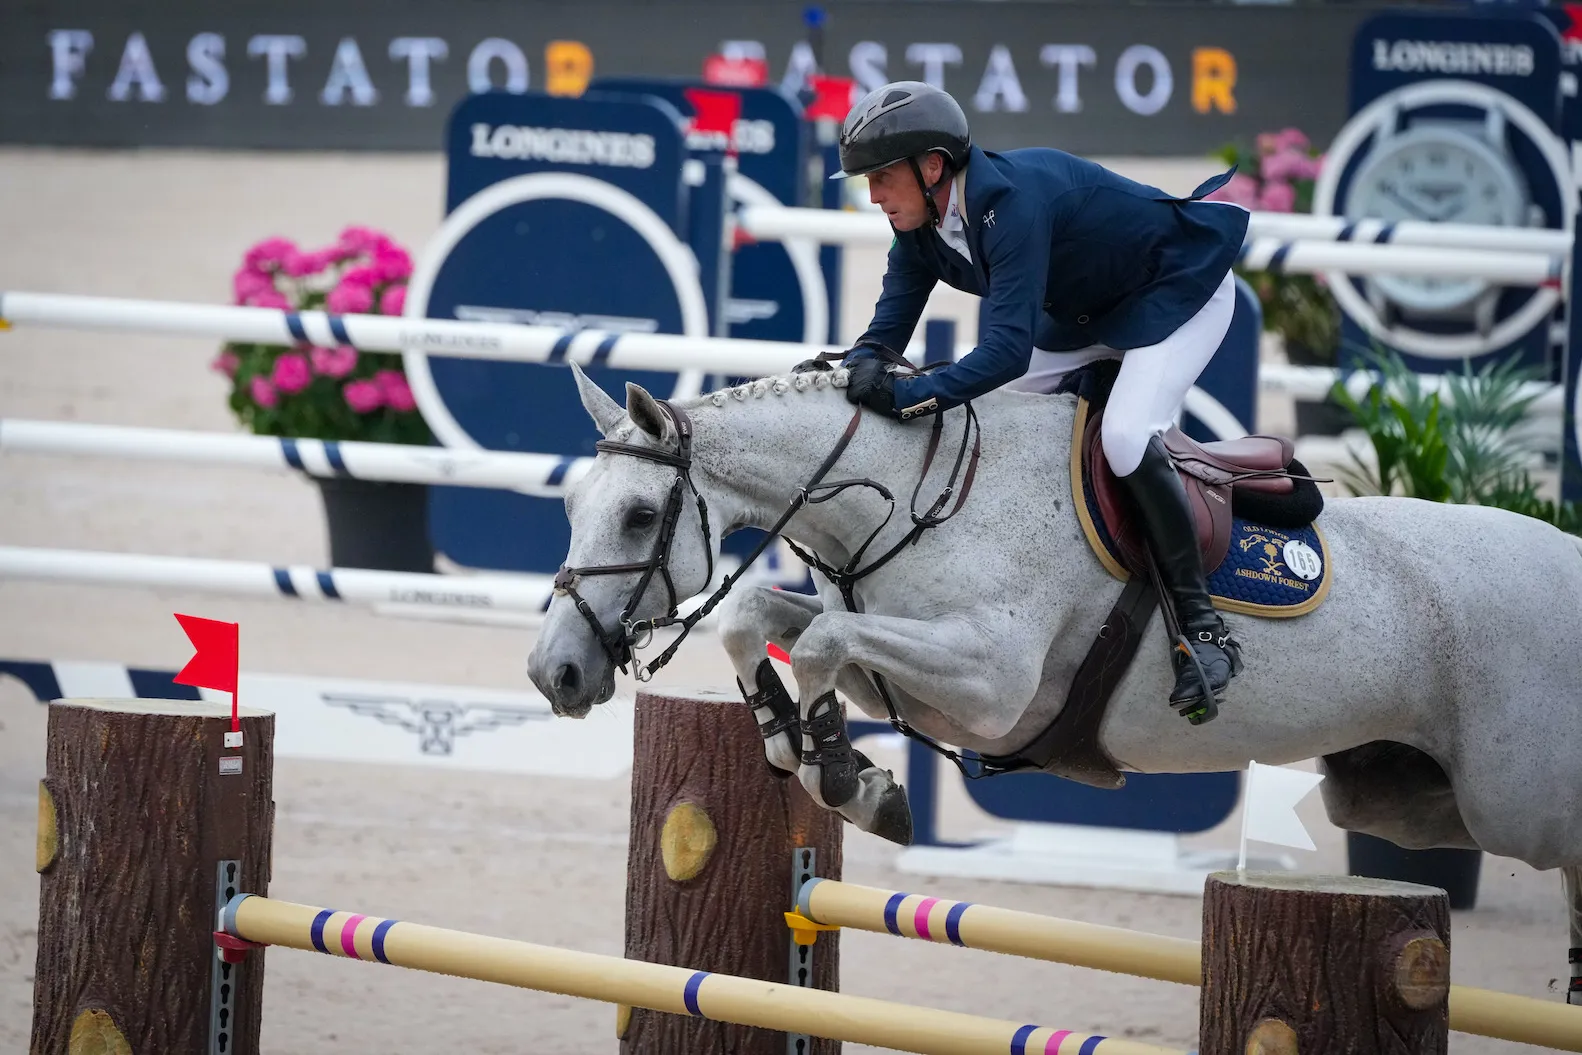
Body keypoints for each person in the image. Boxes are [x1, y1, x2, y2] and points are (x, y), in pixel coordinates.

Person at [811, 79, 1250, 719]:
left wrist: (912, 396)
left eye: (881, 178)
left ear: (932, 167)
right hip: (1086, 313)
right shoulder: (920, 223)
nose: (872, 195)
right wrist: (849, 374)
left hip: (1176, 291)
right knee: (991, 420)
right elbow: (884, 334)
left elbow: (1006, 351)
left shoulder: (1010, 205)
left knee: (1126, 436)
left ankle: (1203, 630)